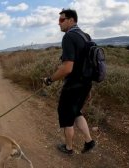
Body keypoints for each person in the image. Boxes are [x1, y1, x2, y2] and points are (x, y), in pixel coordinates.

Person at [43, 9, 95, 155]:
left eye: (61, 20)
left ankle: (69, 148)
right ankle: (89, 141)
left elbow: (67, 68)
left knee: (66, 117)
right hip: (85, 84)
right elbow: (88, 64)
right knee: (76, 112)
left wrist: (49, 80)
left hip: (73, 86)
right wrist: (88, 88)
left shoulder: (68, 37)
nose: (58, 23)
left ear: (71, 20)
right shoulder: (85, 36)